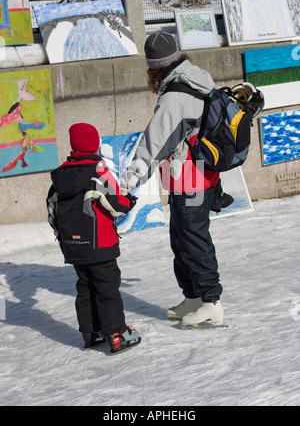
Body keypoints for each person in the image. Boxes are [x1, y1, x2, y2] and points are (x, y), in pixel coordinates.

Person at [120, 32, 224, 328]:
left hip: (192, 177)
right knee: (181, 238)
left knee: (194, 239)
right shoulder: (197, 76)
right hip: (197, 174)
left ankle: (211, 301)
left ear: (154, 67)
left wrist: (127, 184)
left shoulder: (175, 97)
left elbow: (153, 144)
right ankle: (192, 296)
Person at [46, 122, 141, 354]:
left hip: (74, 247)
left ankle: (91, 334)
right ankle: (117, 334)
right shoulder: (98, 172)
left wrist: (63, 238)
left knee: (85, 287)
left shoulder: (59, 177)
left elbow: (51, 212)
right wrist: (129, 201)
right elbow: (115, 205)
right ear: (95, 144)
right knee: (107, 288)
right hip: (100, 245)